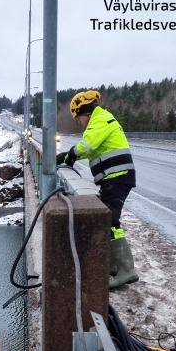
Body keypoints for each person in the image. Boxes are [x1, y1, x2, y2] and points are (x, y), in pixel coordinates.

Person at [56, 90, 139, 288]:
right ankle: (116, 266)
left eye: (79, 118)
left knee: (111, 221)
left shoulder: (100, 120)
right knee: (110, 219)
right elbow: (93, 148)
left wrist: (69, 156)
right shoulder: (100, 120)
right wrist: (71, 156)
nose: (80, 122)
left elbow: (88, 145)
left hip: (117, 178)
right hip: (114, 179)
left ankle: (126, 270)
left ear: (85, 112)